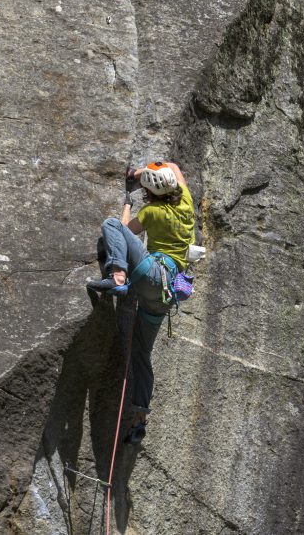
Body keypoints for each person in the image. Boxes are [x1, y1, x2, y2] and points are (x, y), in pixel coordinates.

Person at [87, 161, 196, 442]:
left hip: (151, 275)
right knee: (141, 353)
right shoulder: (185, 203)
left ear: (148, 190)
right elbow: (171, 165)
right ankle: (139, 417)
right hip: (166, 295)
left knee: (110, 224)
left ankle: (119, 279)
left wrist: (127, 199)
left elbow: (123, 230)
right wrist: (140, 175)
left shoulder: (151, 211)